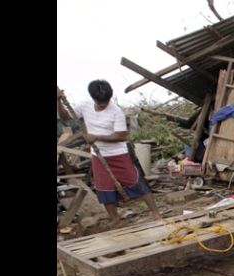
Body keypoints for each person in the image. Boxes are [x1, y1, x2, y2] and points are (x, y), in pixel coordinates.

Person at [57, 81, 161, 227]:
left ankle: (156, 213)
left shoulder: (116, 111)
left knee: (136, 182)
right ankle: (115, 218)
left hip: (118, 154)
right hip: (98, 156)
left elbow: (121, 136)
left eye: (106, 102)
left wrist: (96, 137)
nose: (104, 105)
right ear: (93, 98)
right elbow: (65, 117)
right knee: (104, 187)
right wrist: (59, 101)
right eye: (100, 103)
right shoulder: (85, 106)